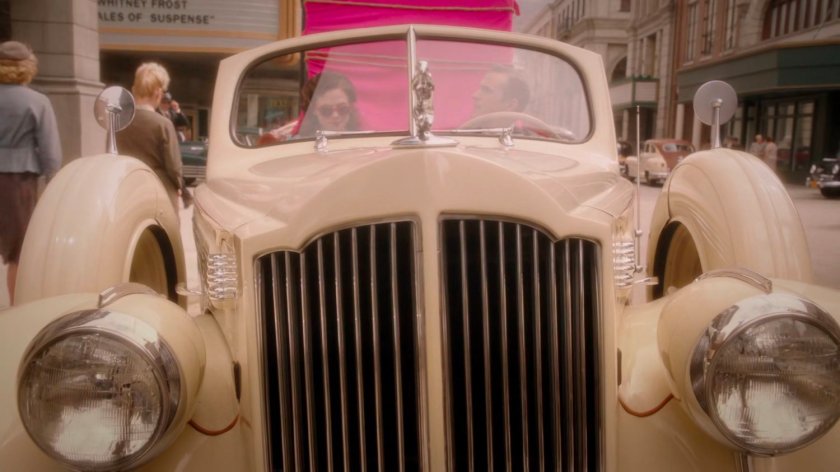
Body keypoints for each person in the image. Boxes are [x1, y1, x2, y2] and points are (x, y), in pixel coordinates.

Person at [0, 41, 62, 305]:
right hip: (19, 182)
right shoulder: (37, 101)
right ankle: (16, 309)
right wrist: (53, 184)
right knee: (19, 252)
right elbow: (51, 152)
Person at [116, 62, 189, 213]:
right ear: (158, 93)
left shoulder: (118, 123)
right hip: (159, 192)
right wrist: (179, 186)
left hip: (127, 191)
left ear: (134, 90)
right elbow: (174, 167)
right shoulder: (163, 124)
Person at [297, 71, 360, 137]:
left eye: (342, 109)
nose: (335, 115)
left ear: (350, 106)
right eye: (326, 110)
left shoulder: (363, 140)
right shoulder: (299, 142)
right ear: (313, 110)